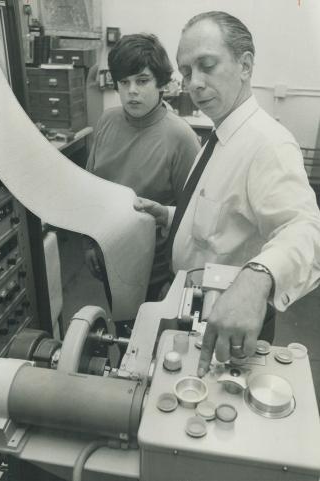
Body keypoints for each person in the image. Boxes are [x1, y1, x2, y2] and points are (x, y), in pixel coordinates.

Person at [134, 11, 320, 376]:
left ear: (245, 65)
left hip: (229, 323)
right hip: (192, 308)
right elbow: (224, 222)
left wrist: (257, 278)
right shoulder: (218, 136)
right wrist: (170, 215)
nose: (194, 83)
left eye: (207, 65)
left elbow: (307, 230)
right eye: (187, 72)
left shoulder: (268, 144)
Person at [84, 33, 200, 317]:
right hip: (108, 259)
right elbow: (89, 189)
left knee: (152, 346)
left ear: (161, 83)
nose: (132, 91)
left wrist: (175, 280)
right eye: (124, 82)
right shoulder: (106, 122)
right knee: (121, 333)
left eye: (142, 80)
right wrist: (89, 245)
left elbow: (193, 217)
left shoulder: (180, 137)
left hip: (157, 272)